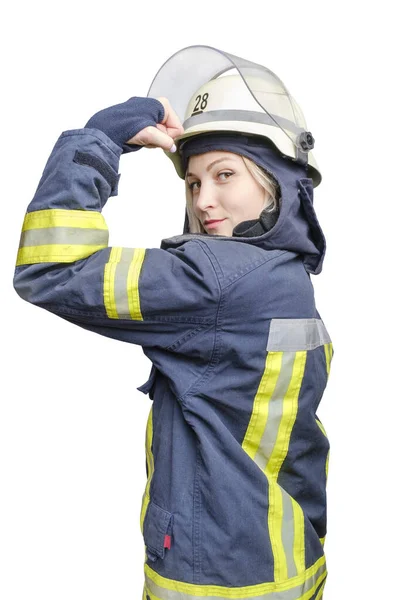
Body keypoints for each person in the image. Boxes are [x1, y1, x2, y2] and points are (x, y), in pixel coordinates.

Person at [13, 45, 333, 600]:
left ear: (274, 182)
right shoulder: (289, 279)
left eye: (224, 174)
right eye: (192, 182)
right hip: (287, 560)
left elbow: (49, 268)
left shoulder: (217, 278)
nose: (205, 199)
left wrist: (98, 141)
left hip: (212, 578)